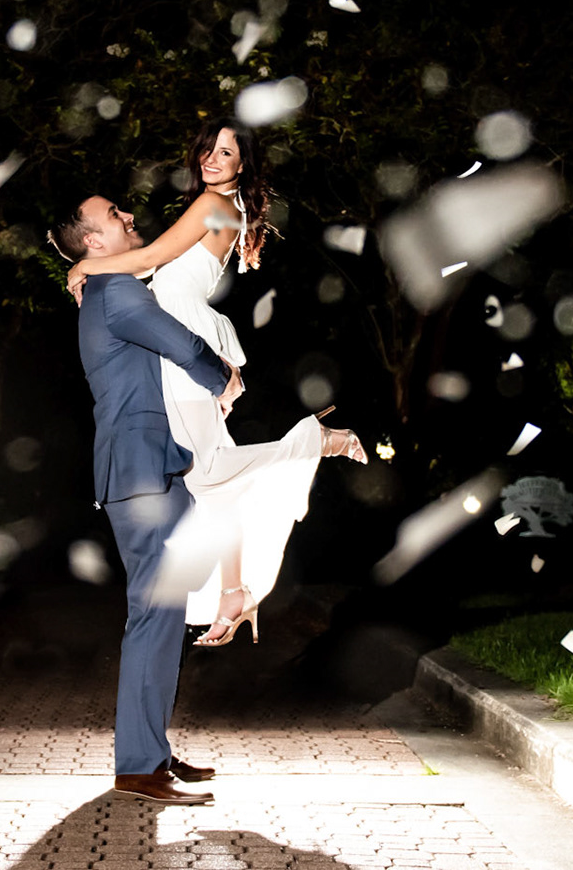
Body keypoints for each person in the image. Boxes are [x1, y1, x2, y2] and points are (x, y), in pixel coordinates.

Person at [66, 121, 366, 648]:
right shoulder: (226, 206)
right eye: (208, 148)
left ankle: (317, 440)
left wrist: (83, 266)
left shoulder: (213, 204)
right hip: (191, 331)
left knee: (206, 475)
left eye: (226, 152)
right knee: (213, 483)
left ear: (241, 163)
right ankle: (233, 591)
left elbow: (148, 260)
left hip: (184, 335)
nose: (212, 158)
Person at [51, 192, 242, 807]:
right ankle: (137, 764)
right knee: (152, 617)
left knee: (164, 613)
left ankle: (151, 748)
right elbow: (181, 343)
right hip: (139, 477)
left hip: (158, 473)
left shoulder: (106, 286)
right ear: (94, 241)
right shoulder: (116, 293)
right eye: (115, 217)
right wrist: (224, 377)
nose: (129, 217)